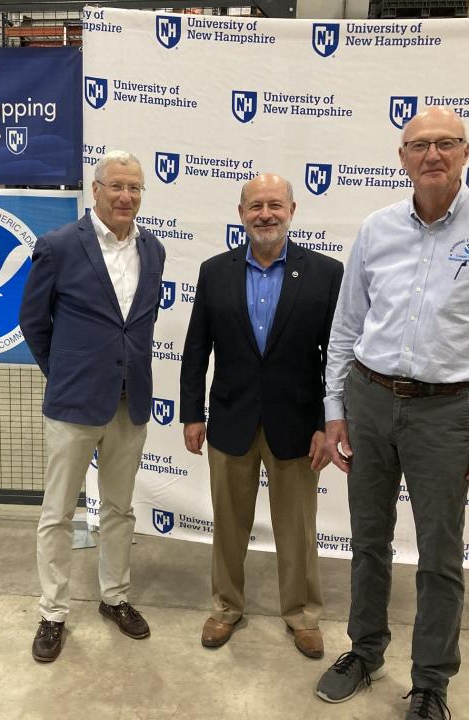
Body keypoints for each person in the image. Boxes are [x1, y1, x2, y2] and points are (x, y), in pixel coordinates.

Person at [315, 108, 469, 720]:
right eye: (419, 145)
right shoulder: (377, 227)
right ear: (402, 156)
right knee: (368, 538)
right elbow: (346, 326)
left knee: (440, 551)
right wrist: (335, 409)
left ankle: (431, 680)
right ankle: (364, 650)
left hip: (446, 410)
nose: (432, 155)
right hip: (369, 398)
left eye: (445, 144)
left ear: (467, 151)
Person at [179, 174, 343, 658]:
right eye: (256, 206)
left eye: (275, 205)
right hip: (231, 419)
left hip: (297, 424)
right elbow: (195, 349)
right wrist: (192, 413)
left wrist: (325, 422)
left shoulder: (324, 272)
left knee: (297, 527)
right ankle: (225, 608)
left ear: (292, 209)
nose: (265, 214)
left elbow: (334, 357)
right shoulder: (214, 271)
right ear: (241, 212)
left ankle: (303, 615)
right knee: (228, 523)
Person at [19, 150, 166, 663]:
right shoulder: (58, 246)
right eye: (117, 186)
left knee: (120, 509)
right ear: (96, 190)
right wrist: (64, 374)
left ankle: (115, 597)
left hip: (131, 402)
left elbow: (135, 326)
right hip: (74, 403)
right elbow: (33, 322)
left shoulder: (154, 249)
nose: (126, 196)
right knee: (58, 512)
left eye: (135, 188)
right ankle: (53, 612)